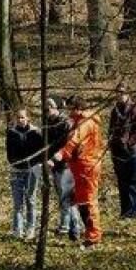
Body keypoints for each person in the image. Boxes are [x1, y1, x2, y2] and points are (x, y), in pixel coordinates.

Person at [50, 96, 104, 249]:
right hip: (80, 166)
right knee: (81, 202)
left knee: (88, 202)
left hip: (87, 167)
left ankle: (93, 238)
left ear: (77, 107)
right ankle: (89, 235)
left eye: (70, 108)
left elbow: (74, 140)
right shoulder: (77, 121)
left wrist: (61, 154)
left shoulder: (85, 122)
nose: (68, 112)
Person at [44, 97, 83, 240]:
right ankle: (66, 225)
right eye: (46, 108)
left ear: (57, 107)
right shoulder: (48, 122)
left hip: (66, 165)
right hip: (54, 164)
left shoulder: (66, 123)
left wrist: (56, 158)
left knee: (68, 198)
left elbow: (67, 146)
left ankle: (74, 227)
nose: (47, 110)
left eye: (50, 106)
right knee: (62, 197)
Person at [108, 83, 136, 219]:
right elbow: (111, 130)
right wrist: (112, 143)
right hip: (118, 151)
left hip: (133, 151)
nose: (120, 95)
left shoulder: (135, 109)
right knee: (122, 182)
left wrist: (129, 142)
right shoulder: (115, 111)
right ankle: (125, 212)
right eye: (118, 92)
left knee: (133, 181)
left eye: (122, 92)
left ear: (128, 94)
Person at [5, 107, 44, 240]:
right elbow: (9, 153)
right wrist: (16, 163)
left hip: (32, 170)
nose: (20, 120)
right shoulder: (11, 133)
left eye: (22, 117)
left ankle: (30, 229)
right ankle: (17, 230)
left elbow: (40, 153)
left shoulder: (36, 133)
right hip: (16, 171)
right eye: (18, 117)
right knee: (18, 202)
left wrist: (34, 164)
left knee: (30, 200)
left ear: (28, 118)